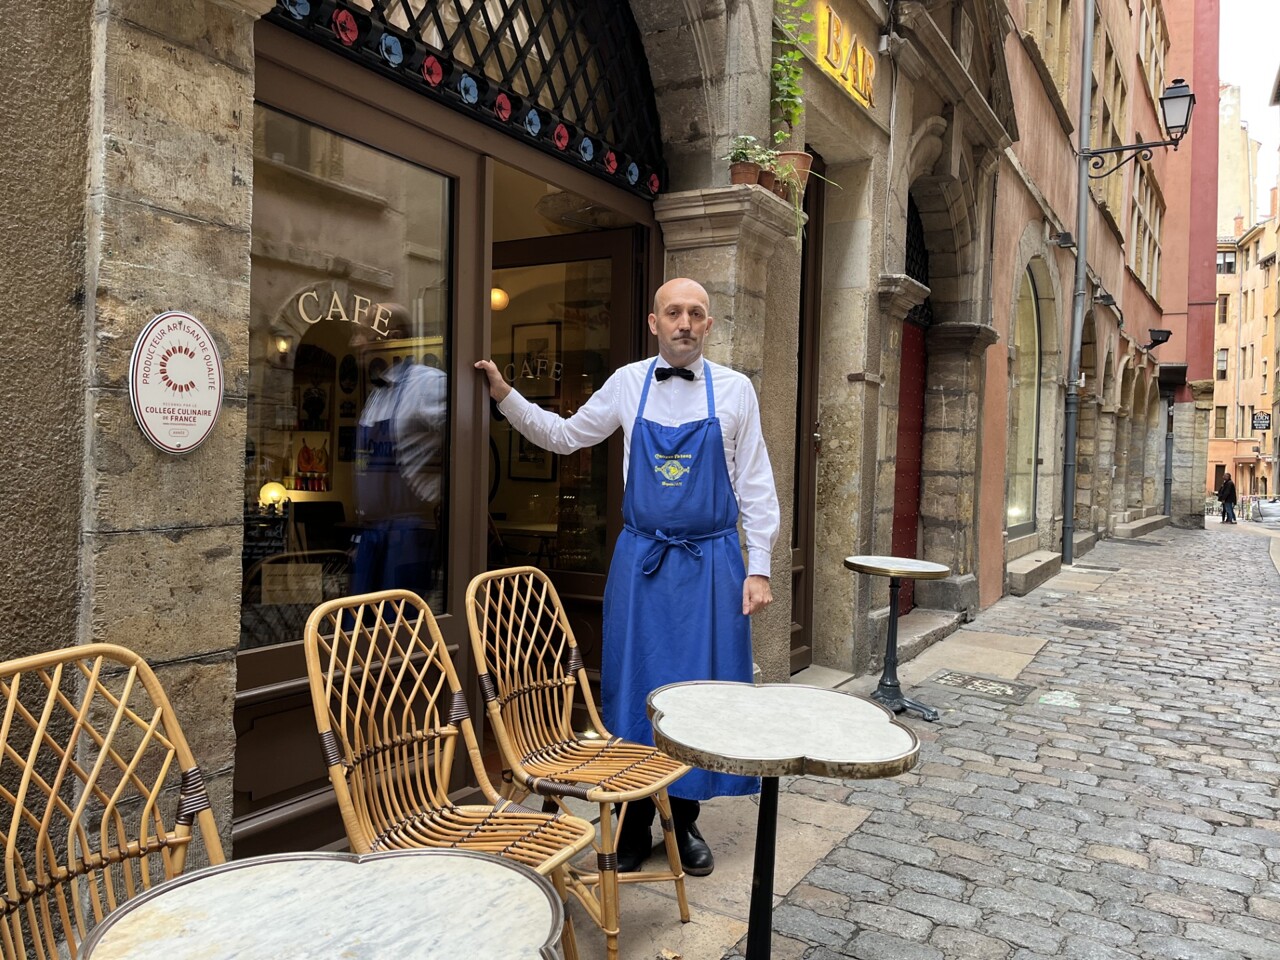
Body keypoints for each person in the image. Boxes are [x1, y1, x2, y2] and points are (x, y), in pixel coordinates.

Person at [475, 278, 779, 877]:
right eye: (674, 312)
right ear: (653, 322)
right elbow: (565, 438)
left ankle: (684, 820)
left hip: (713, 564)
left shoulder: (736, 390)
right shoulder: (626, 383)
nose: (685, 323)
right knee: (637, 687)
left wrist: (761, 567)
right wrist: (506, 396)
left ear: (709, 324)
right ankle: (636, 817)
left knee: (703, 693)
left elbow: (756, 484)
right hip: (642, 562)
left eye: (696, 313)